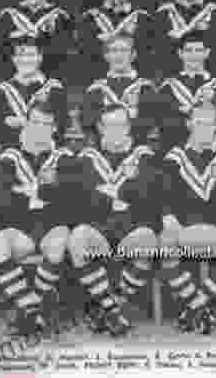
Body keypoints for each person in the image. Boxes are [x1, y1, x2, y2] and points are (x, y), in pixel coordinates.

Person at [66, 104, 161, 337]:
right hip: (100, 228)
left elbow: (150, 196)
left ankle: (108, 307)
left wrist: (113, 191)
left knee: (148, 239)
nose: (115, 131)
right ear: (100, 128)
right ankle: (114, 311)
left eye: (121, 125)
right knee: (78, 237)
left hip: (132, 229)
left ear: (128, 127)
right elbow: (82, 199)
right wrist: (125, 193)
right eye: (110, 125)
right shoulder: (87, 157)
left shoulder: (144, 156)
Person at [160, 102, 216, 335]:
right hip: (186, 225)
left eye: (208, 123)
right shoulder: (175, 156)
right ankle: (201, 306)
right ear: (188, 123)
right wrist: (170, 219)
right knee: (164, 243)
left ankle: (194, 305)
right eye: (198, 122)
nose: (203, 128)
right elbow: (163, 193)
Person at [0, 101, 75, 337]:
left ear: (55, 128)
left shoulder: (64, 156)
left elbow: (70, 199)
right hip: (20, 228)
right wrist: (42, 194)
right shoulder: (9, 156)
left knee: (58, 243)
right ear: (25, 123)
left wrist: (27, 191)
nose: (40, 128)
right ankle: (34, 310)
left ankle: (27, 311)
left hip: (52, 226)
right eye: (35, 122)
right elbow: (0, 200)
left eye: (47, 124)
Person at [0, 36, 68, 156]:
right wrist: (6, 124)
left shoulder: (55, 90)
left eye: (31, 55)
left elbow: (62, 127)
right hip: (11, 158)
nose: (25, 60)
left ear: (40, 58)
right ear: (14, 59)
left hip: (46, 155)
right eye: (20, 55)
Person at [156, 32, 216, 155]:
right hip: (176, 150)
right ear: (180, 53)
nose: (193, 55)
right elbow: (163, 123)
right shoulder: (167, 88)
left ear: (206, 53)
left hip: (211, 150)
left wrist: (212, 103)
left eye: (198, 50)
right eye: (188, 50)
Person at [0, 0, 74, 81]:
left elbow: (62, 56)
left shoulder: (60, 17)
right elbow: (1, 55)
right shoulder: (7, 16)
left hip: (49, 81)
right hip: (15, 81)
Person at [77, 0, 154, 84]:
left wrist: (108, 38)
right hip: (97, 81)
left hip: (133, 81)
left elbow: (145, 55)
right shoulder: (89, 18)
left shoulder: (142, 18)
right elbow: (85, 54)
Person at [80, 35, 157, 147]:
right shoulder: (95, 89)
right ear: (106, 56)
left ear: (133, 55)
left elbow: (150, 122)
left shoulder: (146, 88)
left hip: (136, 150)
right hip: (104, 151)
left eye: (124, 50)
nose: (119, 55)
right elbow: (87, 122)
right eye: (114, 50)